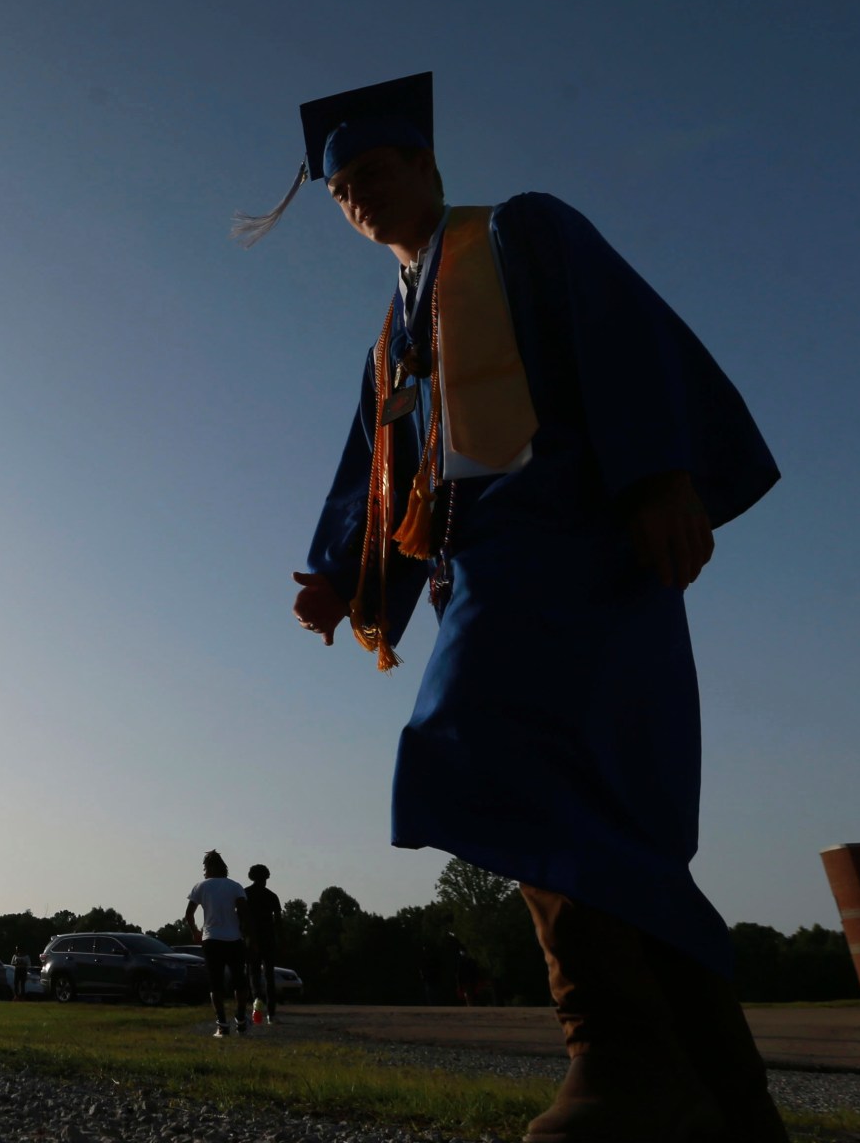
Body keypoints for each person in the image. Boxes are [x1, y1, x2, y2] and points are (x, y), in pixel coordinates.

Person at [262, 73, 784, 1142]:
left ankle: (619, 1058)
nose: (357, 194)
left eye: (373, 172)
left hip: (577, 537)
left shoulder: (516, 233)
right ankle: (726, 1100)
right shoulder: (388, 343)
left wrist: (658, 474)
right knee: (609, 820)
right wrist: (343, 574)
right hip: (481, 572)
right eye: (340, 188)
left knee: (477, 745)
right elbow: (375, 472)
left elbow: (625, 334)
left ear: (424, 165)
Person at [183, 850, 251, 1035]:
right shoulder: (235, 886)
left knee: (216, 982)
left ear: (210, 868)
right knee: (239, 981)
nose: (203, 871)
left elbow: (189, 913)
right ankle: (241, 1017)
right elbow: (244, 912)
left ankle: (222, 1024)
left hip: (212, 938)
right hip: (234, 938)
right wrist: (245, 931)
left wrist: (195, 931)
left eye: (204, 868)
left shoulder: (201, 886)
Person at [237, 863, 283, 1022]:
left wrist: (243, 934)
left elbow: (240, 917)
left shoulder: (245, 894)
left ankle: (257, 999)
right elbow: (278, 921)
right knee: (269, 976)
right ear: (266, 877)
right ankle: (272, 1013)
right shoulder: (272, 896)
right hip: (268, 939)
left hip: (251, 939)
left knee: (253, 973)